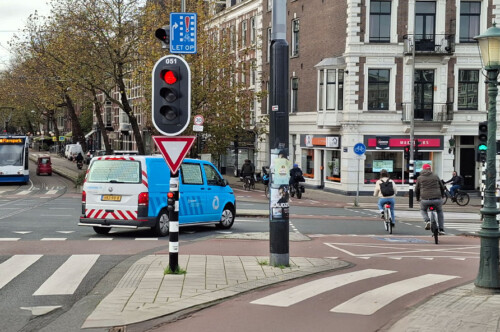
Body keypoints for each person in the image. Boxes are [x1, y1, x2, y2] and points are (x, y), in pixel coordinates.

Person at [415, 163, 446, 235]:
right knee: (439, 211)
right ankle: (441, 229)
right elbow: (442, 187)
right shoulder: (435, 176)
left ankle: (427, 220)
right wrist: (442, 195)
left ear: (423, 169)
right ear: (430, 169)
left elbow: (417, 190)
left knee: (423, 210)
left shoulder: (420, 178)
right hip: (437, 199)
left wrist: (417, 198)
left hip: (425, 199)